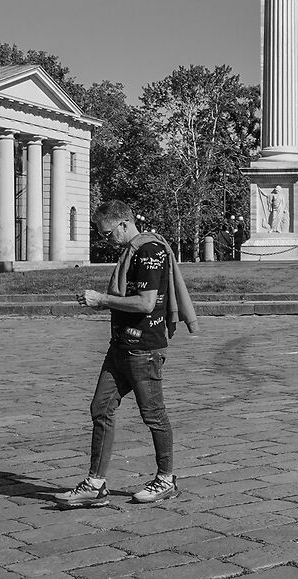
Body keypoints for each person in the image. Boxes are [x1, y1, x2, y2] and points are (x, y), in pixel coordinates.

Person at [52, 202, 193, 507]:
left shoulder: (149, 252)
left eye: (108, 234)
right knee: (100, 408)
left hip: (143, 349)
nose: (108, 240)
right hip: (120, 347)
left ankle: (166, 479)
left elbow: (145, 303)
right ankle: (95, 483)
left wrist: (102, 300)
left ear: (124, 223)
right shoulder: (131, 251)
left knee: (153, 415)